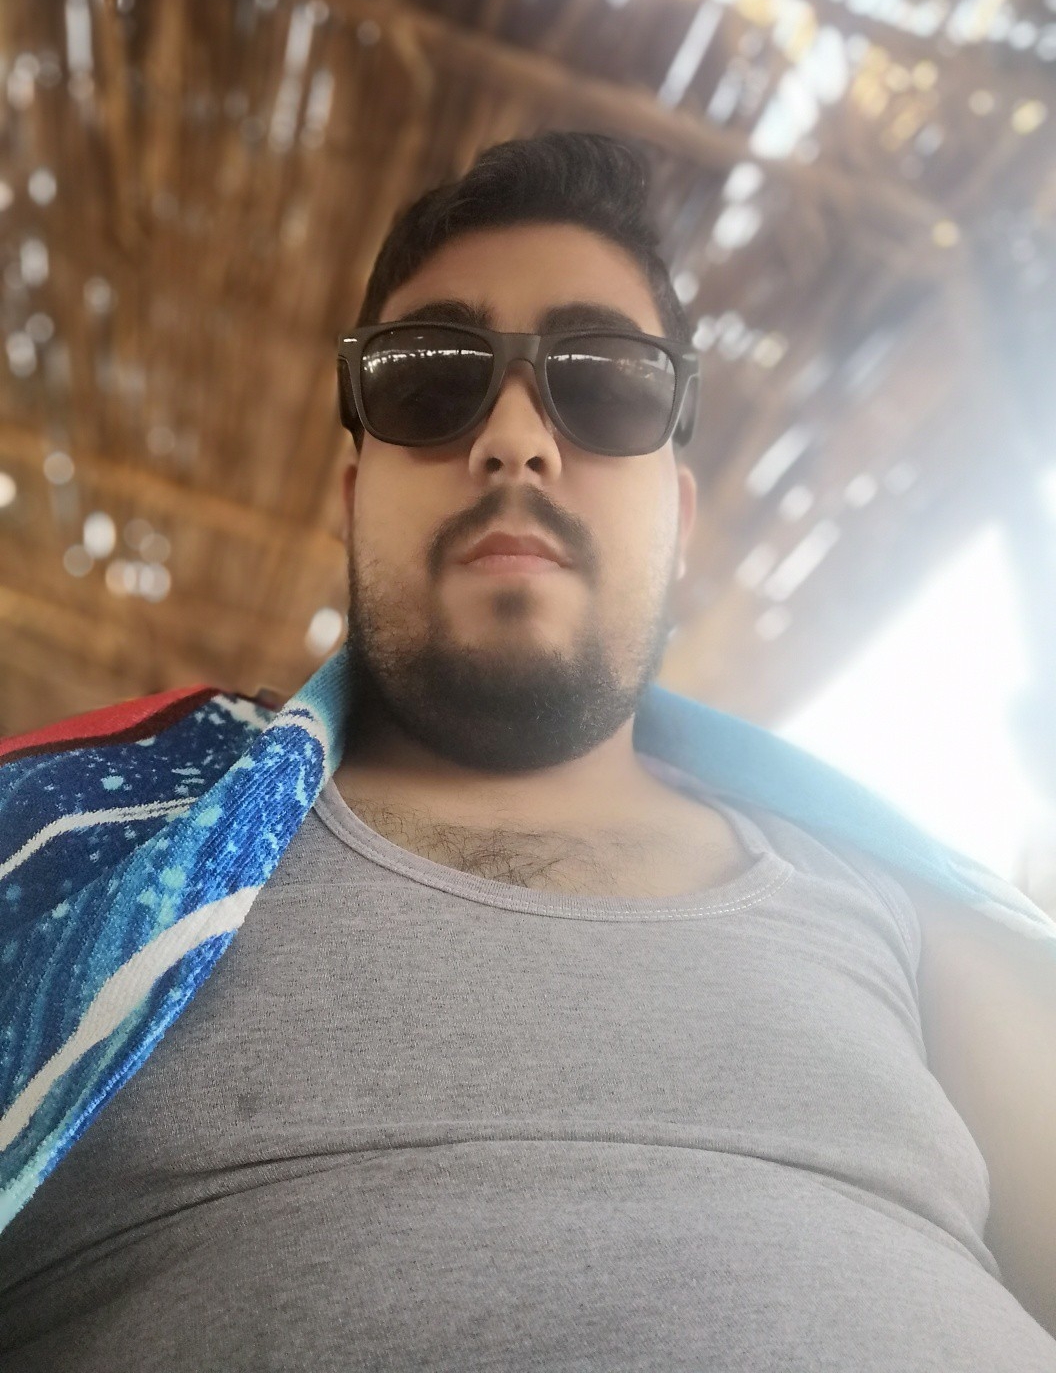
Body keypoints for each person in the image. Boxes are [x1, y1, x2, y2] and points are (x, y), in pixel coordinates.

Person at [1, 131, 1055, 1371]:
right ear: (354, 496)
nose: (514, 437)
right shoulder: (83, 848)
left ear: (679, 517)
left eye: (604, 383)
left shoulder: (909, 905)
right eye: (429, 381)